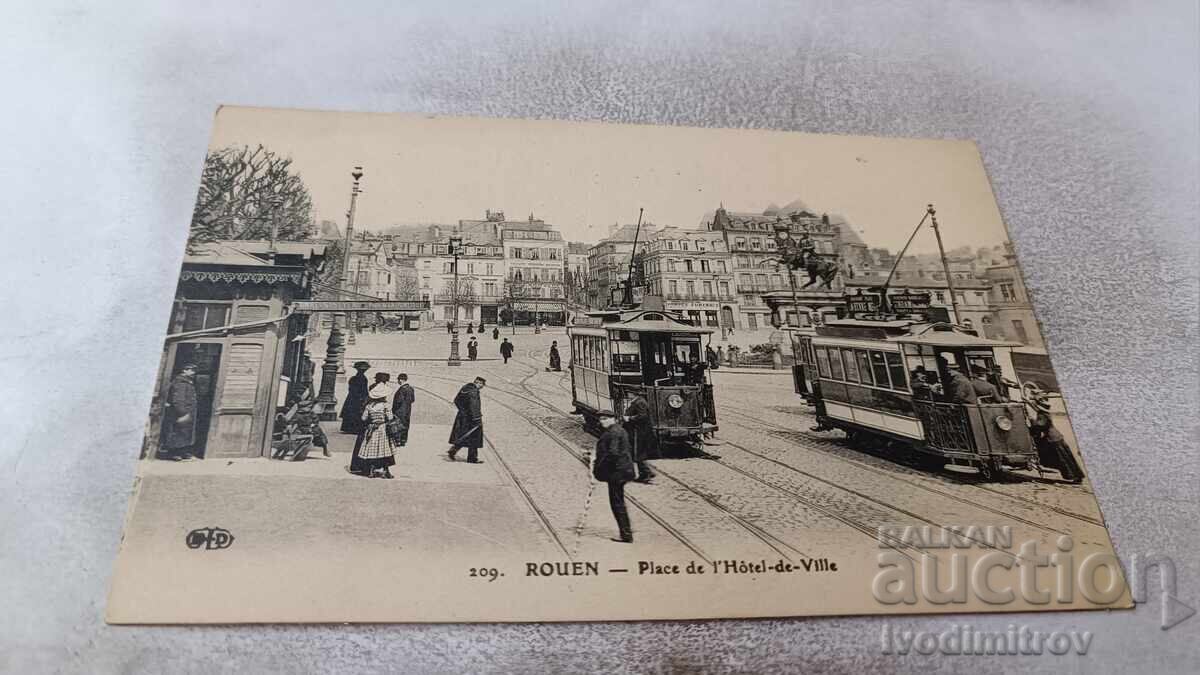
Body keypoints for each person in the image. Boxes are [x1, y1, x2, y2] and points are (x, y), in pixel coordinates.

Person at [590, 412, 635, 543]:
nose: (602, 421)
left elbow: (613, 453)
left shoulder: (613, 433)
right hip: (623, 470)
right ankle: (626, 533)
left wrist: (599, 464)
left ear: (613, 419)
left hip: (616, 473)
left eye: (605, 419)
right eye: (601, 419)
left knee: (617, 504)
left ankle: (626, 535)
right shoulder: (619, 430)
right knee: (618, 502)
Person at [1029, 397, 1084, 484]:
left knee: (1062, 459)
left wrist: (1032, 421)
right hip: (1057, 437)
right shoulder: (1046, 413)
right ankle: (1077, 476)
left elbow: (1040, 426)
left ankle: (1073, 476)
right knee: (1067, 458)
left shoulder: (1042, 415)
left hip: (1053, 439)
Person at [356, 383, 397, 478]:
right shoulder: (385, 405)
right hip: (382, 429)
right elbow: (390, 418)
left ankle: (371, 470)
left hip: (372, 429)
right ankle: (386, 471)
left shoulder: (369, 406)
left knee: (372, 450)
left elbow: (363, 418)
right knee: (385, 450)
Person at [161, 363, 199, 460]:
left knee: (184, 433)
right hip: (182, 413)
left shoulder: (187, 382)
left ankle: (183, 452)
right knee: (178, 433)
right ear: (184, 370)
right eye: (191, 370)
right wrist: (182, 413)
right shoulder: (180, 383)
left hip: (188, 412)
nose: (193, 372)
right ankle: (173, 453)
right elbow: (178, 400)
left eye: (194, 370)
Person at [448, 377, 486, 463]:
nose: (482, 387)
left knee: (464, 435)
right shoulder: (474, 392)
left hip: (462, 417)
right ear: (478, 383)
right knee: (474, 437)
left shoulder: (465, 388)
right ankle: (472, 458)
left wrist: (462, 411)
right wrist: (477, 418)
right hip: (472, 418)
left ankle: (453, 450)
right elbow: (474, 406)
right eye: (482, 385)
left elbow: (456, 400)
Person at [623, 392, 656, 483]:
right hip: (637, 430)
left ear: (633, 394)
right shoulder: (637, 401)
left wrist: (629, 418)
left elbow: (643, 416)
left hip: (640, 431)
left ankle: (646, 473)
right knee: (638, 452)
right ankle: (646, 472)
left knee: (638, 452)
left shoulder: (639, 402)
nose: (628, 394)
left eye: (629, 393)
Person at [339, 361, 371, 434]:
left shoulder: (353, 378)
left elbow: (350, 388)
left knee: (350, 412)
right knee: (357, 412)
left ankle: (348, 428)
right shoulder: (363, 379)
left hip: (351, 397)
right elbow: (364, 390)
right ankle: (355, 429)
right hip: (359, 398)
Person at [390, 373, 414, 447]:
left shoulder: (402, 389)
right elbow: (413, 400)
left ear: (401, 380)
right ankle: (404, 440)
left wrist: (394, 409)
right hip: (407, 410)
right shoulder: (411, 388)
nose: (398, 381)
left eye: (398, 379)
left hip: (399, 411)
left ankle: (398, 441)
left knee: (398, 425)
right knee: (406, 425)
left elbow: (398, 401)